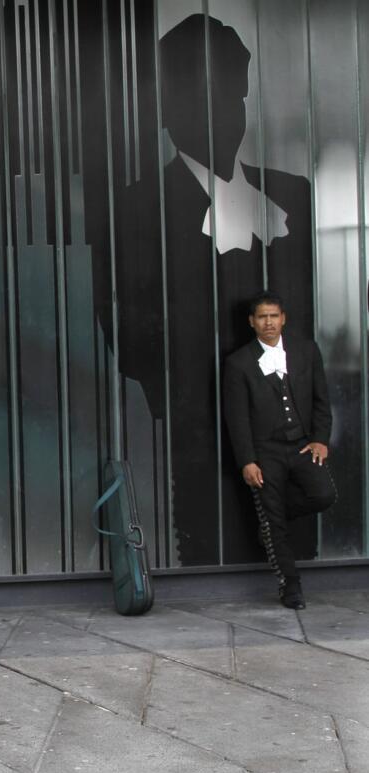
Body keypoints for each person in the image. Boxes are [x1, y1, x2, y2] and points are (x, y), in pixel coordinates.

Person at [97, 14, 315, 566]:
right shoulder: (136, 205)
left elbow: (305, 311)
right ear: (168, 111)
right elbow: (118, 312)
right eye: (199, 97)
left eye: (231, 95)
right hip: (195, 412)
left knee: (293, 522)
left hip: (283, 415)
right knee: (205, 531)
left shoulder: (291, 194)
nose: (221, 112)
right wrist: (171, 390)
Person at [222, 292, 336, 609]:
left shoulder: (306, 351)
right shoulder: (238, 363)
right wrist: (248, 460)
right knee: (273, 521)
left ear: (283, 318)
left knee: (323, 494)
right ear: (252, 322)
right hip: (265, 451)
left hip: (302, 446)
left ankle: (273, 523)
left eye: (273, 316)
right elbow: (237, 418)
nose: (268, 322)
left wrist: (320, 439)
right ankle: (291, 587)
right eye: (262, 317)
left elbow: (321, 402)